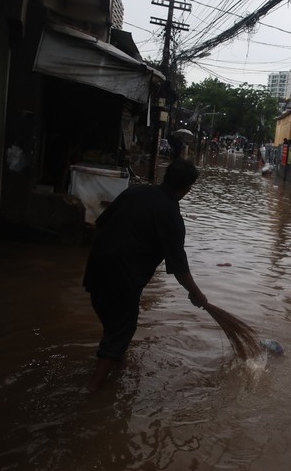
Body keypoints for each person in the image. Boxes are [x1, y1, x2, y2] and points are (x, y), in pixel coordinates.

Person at [83, 158, 208, 390]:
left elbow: (99, 225)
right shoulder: (171, 216)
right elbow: (180, 269)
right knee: (123, 328)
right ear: (188, 188)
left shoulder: (134, 193)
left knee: (115, 326)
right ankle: (92, 392)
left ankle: (116, 365)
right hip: (123, 279)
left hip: (95, 269)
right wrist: (198, 295)